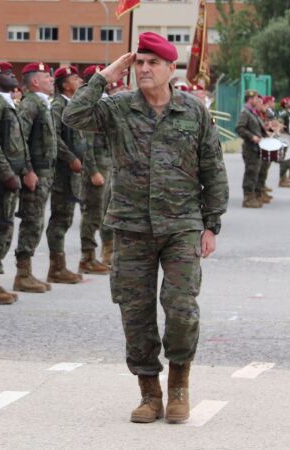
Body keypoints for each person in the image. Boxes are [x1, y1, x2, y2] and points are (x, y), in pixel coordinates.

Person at [63, 32, 229, 423]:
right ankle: (149, 393)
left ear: (172, 69)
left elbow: (213, 169)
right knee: (134, 312)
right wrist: (105, 76)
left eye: (153, 62)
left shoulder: (194, 112)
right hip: (132, 226)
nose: (144, 69)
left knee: (181, 309)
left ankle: (179, 387)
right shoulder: (119, 108)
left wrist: (211, 225)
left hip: (181, 226)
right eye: (139, 62)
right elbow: (73, 117)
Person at [0, 61, 37, 304]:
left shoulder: (7, 104)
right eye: (6, 74)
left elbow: (17, 143)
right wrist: (7, 174)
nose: (13, 76)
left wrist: (24, 169)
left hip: (10, 177)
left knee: (4, 227)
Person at [13, 62, 57, 292]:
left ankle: (26, 271)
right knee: (32, 220)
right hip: (35, 172)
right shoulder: (30, 105)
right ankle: (22, 273)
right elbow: (19, 139)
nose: (52, 80)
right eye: (46, 77)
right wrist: (27, 170)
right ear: (35, 82)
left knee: (36, 220)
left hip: (45, 172)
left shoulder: (43, 104)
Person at [47, 66, 85, 284]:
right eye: (74, 78)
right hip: (63, 172)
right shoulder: (58, 106)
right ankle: (56, 267)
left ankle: (60, 266)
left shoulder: (72, 105)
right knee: (60, 219)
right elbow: (55, 138)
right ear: (64, 84)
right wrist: (71, 158)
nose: (79, 81)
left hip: (74, 173)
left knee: (67, 217)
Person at [78, 64, 112, 274]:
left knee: (105, 210)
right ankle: (87, 257)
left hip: (106, 164)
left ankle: (106, 251)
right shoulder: (88, 102)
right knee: (92, 213)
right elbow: (86, 142)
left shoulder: (103, 99)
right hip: (96, 167)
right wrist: (92, 171)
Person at [235, 90, 269, 208]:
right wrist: (252, 137)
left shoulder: (252, 113)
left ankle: (253, 196)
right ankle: (248, 198)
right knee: (251, 172)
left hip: (256, 148)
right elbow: (239, 128)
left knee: (255, 172)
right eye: (255, 98)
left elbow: (258, 128)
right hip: (250, 148)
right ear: (250, 99)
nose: (258, 100)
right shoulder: (245, 113)